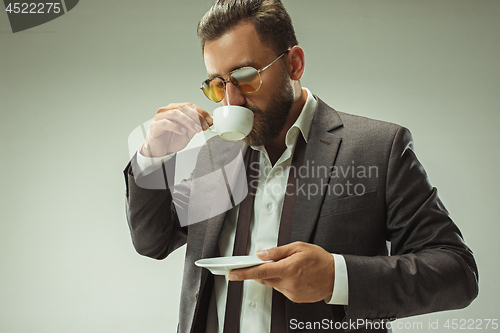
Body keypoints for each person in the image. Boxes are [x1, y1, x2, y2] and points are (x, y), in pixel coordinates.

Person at [124, 0, 478, 332]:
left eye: (246, 76)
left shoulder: (377, 149)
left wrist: (337, 277)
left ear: (294, 64)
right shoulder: (213, 157)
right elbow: (153, 242)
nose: (232, 101)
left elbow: (457, 272)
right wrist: (150, 156)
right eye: (218, 85)